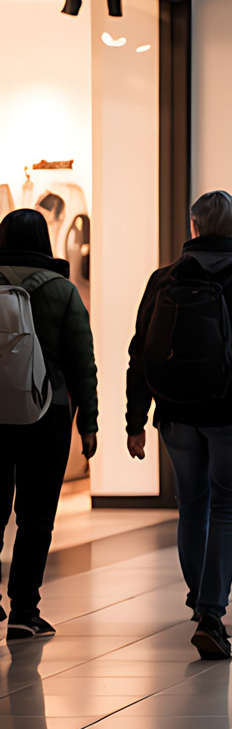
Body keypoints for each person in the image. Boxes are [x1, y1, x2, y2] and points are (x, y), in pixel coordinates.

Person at [126, 192, 232, 660]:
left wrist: (135, 419)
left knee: (192, 506)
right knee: (228, 510)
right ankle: (213, 611)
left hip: (176, 414)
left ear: (194, 227)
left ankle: (200, 603)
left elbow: (140, 352)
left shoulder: (163, 280)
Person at [0, 209, 97, 641]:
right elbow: (82, 362)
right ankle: (24, 610)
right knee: (36, 516)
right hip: (47, 412)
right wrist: (89, 423)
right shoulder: (63, 290)